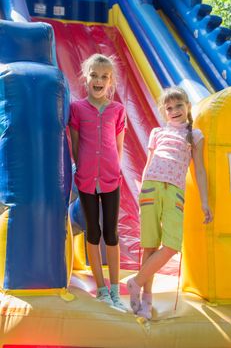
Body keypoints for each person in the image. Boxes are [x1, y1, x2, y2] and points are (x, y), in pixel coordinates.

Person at [127, 86, 213, 319]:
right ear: (164, 112)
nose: (174, 110)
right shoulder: (157, 132)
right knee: (150, 244)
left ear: (187, 106)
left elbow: (200, 172)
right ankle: (146, 300)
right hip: (151, 188)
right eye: (169, 108)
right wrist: (142, 192)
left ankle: (135, 281)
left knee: (172, 246)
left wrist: (205, 202)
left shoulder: (194, 135)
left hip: (174, 192)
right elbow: (149, 163)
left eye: (178, 106)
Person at [69, 53, 127, 310]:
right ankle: (101, 289)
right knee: (93, 231)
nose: (98, 80)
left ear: (111, 80)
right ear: (86, 77)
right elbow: (76, 143)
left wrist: (115, 170)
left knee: (111, 234)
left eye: (104, 76)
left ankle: (115, 289)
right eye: (94, 75)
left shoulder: (118, 110)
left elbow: (119, 146)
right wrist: (81, 168)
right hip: (86, 179)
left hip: (111, 179)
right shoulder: (77, 109)